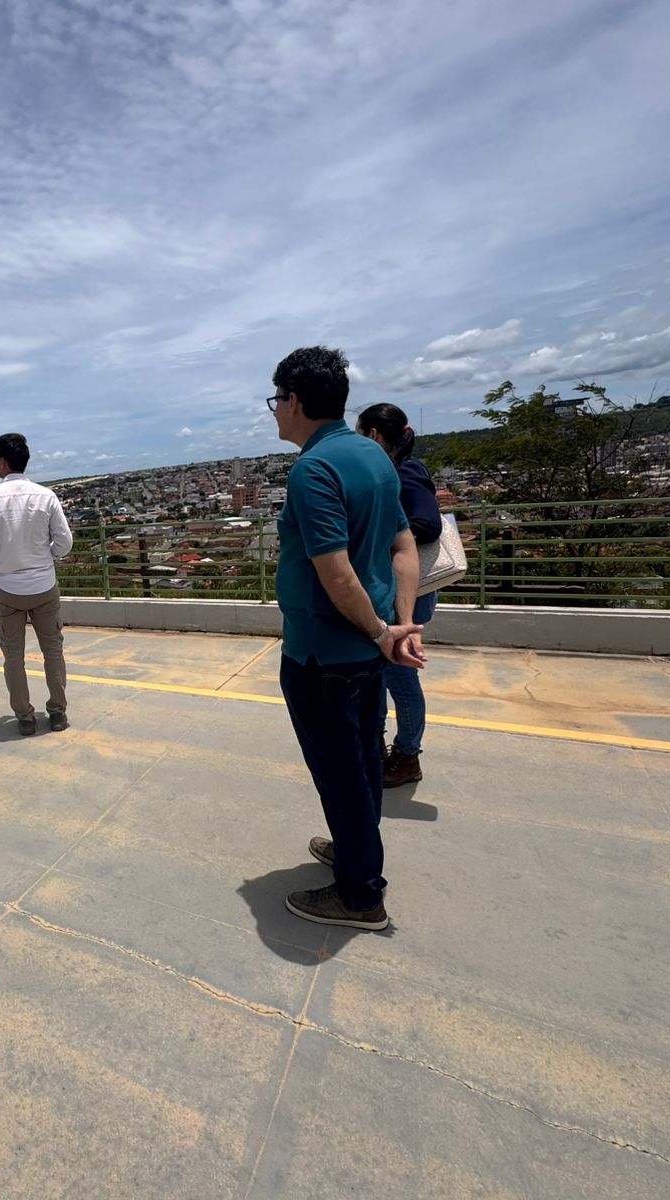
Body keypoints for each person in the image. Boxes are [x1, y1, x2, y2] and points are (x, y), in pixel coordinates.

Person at [268, 346, 424, 931]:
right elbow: (403, 546)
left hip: (322, 652)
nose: (275, 412)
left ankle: (359, 894)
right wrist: (399, 624)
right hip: (367, 648)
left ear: (295, 400)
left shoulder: (315, 469)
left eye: (275, 400)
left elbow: (335, 572)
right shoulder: (374, 455)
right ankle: (356, 849)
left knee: (340, 772)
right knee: (362, 759)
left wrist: (386, 630)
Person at [357, 402, 441, 788]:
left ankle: (407, 755)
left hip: (407, 595)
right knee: (379, 674)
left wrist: (386, 534)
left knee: (400, 677)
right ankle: (379, 748)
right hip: (391, 593)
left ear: (374, 436)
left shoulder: (405, 472)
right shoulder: (390, 472)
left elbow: (427, 523)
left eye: (360, 434)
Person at [0, 432, 74, 736]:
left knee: (13, 657)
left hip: (7, 588)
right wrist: (45, 557)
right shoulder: (46, 496)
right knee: (52, 651)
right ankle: (58, 713)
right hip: (43, 585)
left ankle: (25, 718)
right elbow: (64, 542)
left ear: (2, 461)